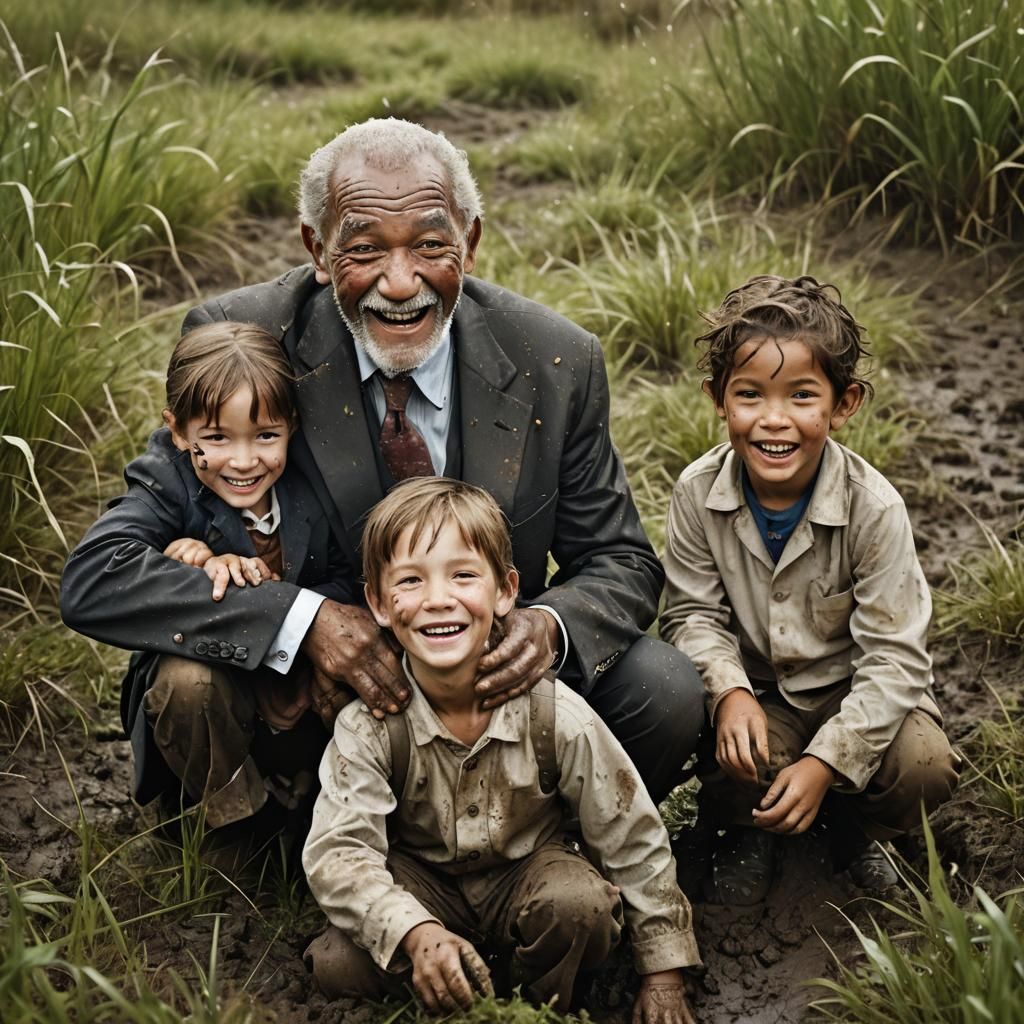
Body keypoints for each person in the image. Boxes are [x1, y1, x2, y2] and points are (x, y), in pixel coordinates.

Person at [169, 117, 702, 803]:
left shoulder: (557, 359)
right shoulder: (242, 342)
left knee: (665, 690)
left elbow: (622, 562)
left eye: (429, 245)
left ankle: (542, 836)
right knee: (189, 679)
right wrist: (303, 625)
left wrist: (545, 627)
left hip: (486, 684)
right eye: (363, 248)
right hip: (314, 697)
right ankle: (275, 846)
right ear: (318, 250)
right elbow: (139, 552)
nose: (399, 283)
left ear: (470, 242)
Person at [303, 477, 701, 1022]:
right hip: (421, 883)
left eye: (464, 576)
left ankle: (532, 1006)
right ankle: (449, 984)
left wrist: (664, 972)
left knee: (579, 911)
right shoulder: (369, 725)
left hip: (528, 872)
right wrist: (412, 930)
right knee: (339, 962)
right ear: (376, 602)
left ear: (506, 591)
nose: (438, 600)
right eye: (411, 581)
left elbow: (629, 833)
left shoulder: (553, 713)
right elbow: (339, 851)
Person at [659, 274, 960, 904]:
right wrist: (731, 691)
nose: (774, 420)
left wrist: (829, 762)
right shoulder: (696, 492)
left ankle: (862, 831)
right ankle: (744, 829)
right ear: (719, 399)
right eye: (749, 394)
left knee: (923, 763)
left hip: (855, 696)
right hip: (764, 694)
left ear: (842, 403)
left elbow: (897, 659)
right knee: (720, 728)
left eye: (801, 396)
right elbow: (692, 614)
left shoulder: (873, 509)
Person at [62, 322, 354, 833]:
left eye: (266, 436)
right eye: (216, 438)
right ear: (179, 432)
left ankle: (332, 810)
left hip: (302, 697)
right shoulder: (170, 483)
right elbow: (91, 578)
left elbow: (349, 579)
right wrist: (197, 572)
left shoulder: (316, 483)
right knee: (187, 683)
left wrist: (287, 610)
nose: (244, 462)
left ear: (292, 425)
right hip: (215, 713)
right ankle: (236, 826)